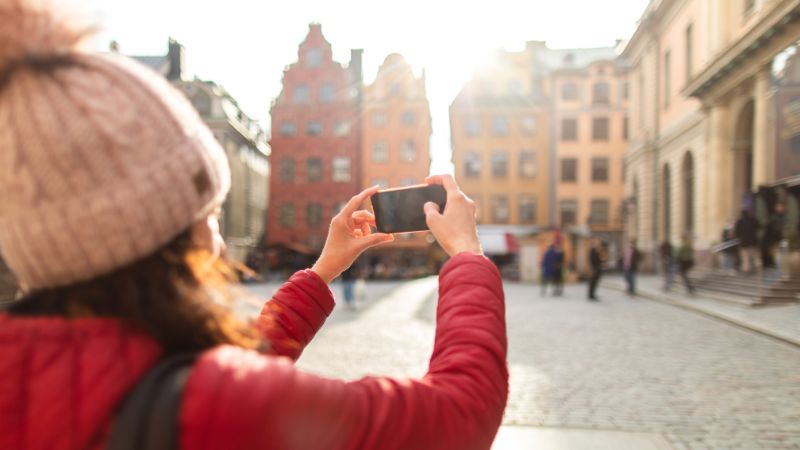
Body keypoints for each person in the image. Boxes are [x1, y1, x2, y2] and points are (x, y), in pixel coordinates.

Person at [0, 4, 507, 449]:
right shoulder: (216, 404)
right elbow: (459, 417)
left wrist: (323, 270)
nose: (217, 235)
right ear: (175, 230)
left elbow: (232, 357)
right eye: (211, 211)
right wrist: (466, 255)